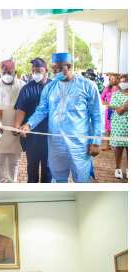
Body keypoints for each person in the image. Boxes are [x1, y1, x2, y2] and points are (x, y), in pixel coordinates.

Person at [20, 52, 103, 183]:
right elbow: (41, 110)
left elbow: (97, 115)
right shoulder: (50, 87)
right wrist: (29, 124)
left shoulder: (87, 86)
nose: (55, 71)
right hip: (56, 142)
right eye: (53, 68)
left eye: (59, 68)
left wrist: (96, 141)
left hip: (79, 143)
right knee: (58, 178)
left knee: (82, 179)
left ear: (69, 66)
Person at [14, 58, 52, 183]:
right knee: (32, 167)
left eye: (39, 71)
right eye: (33, 71)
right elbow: (21, 109)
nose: (36, 73)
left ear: (46, 70)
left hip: (49, 134)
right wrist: (16, 126)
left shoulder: (54, 87)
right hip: (31, 134)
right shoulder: (27, 88)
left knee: (48, 167)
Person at [0, 60, 24, 182]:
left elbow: (24, 107)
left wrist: (18, 125)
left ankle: (12, 184)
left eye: (9, 72)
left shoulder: (22, 86)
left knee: (13, 162)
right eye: (4, 71)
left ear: (15, 72)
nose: (6, 74)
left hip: (15, 129)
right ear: (1, 72)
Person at [109, 74, 128, 179]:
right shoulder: (115, 95)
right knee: (119, 147)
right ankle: (118, 168)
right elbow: (119, 111)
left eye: (127, 81)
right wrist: (126, 105)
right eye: (123, 81)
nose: (124, 83)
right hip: (119, 124)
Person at [101, 73, 120, 151]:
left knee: (117, 127)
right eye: (111, 79)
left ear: (117, 80)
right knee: (108, 128)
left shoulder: (120, 89)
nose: (112, 80)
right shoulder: (107, 89)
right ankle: (107, 145)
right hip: (109, 110)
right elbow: (102, 98)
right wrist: (106, 104)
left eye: (114, 79)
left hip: (118, 110)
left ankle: (118, 145)